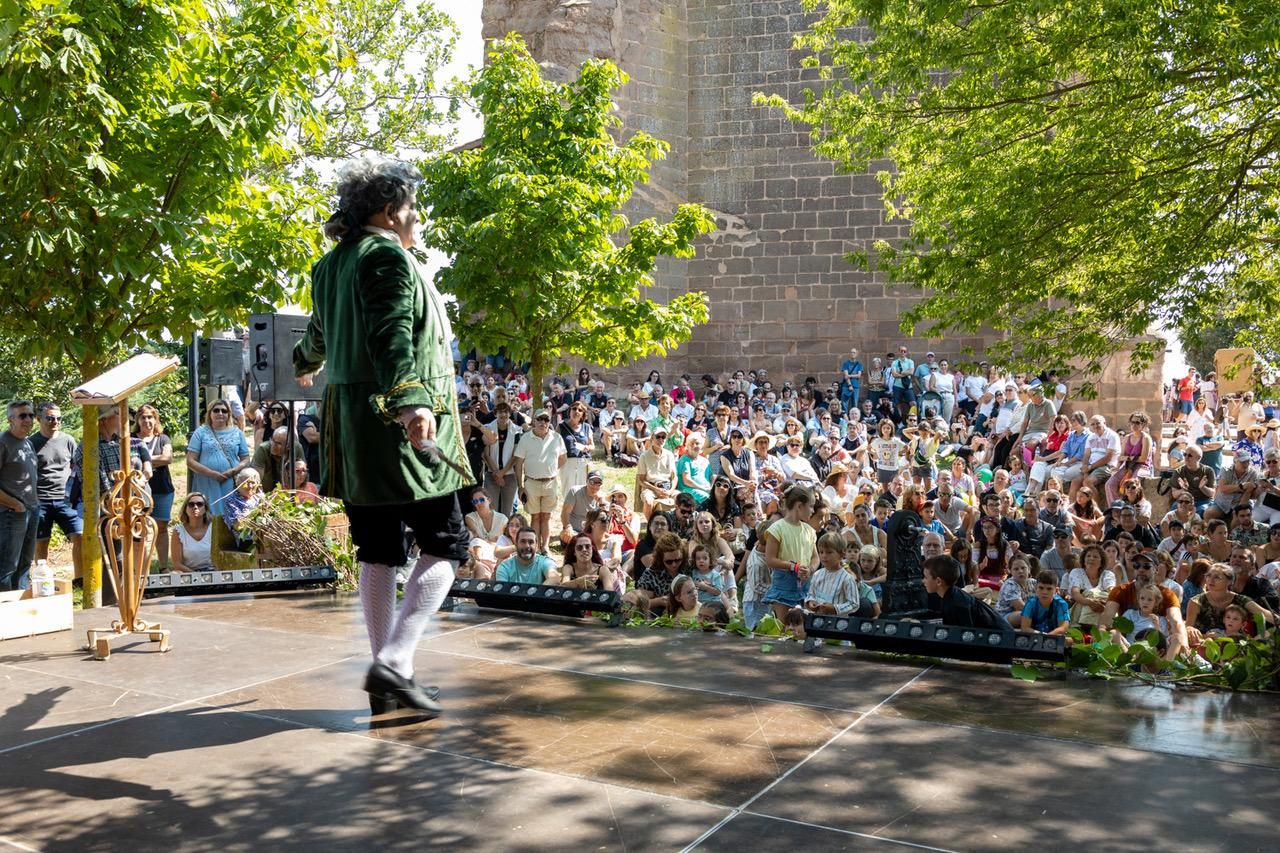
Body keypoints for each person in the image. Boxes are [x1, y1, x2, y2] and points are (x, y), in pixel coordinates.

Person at [293, 154, 474, 717]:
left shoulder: (330, 265)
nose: (416, 216)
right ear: (388, 211)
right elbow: (391, 333)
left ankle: (391, 683)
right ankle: (393, 663)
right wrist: (412, 400)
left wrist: (303, 360)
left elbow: (319, 334)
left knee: (378, 550)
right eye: (411, 206)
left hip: (351, 427)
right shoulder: (387, 258)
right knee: (448, 543)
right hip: (393, 424)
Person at [1099, 552, 1189, 659]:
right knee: (1111, 633)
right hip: (1130, 646)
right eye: (1137, 566)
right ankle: (1130, 662)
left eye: (1146, 566)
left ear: (1156, 570)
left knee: (1178, 637)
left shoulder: (1167, 594)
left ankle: (1164, 668)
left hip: (1157, 648)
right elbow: (1106, 619)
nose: (1141, 569)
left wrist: (1184, 643)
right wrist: (1101, 632)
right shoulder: (1120, 591)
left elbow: (1176, 621)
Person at [30, 402, 82, 579]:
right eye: (50, 418)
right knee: (41, 542)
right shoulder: (31, 443)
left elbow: (76, 465)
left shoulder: (68, 440)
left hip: (66, 499)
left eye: (59, 418)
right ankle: (41, 579)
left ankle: (80, 579)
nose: (55, 422)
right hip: (41, 500)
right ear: (39, 419)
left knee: (79, 536)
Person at [186, 399, 251, 517]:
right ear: (210, 413)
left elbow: (246, 458)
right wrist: (212, 473)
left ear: (229, 414)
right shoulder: (200, 432)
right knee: (207, 515)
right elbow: (190, 461)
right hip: (206, 481)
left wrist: (233, 471)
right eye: (216, 410)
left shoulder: (238, 433)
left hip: (231, 481)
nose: (220, 413)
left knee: (231, 515)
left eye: (224, 411)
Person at [514, 410, 567, 554]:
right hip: (531, 483)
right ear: (534, 420)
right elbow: (518, 464)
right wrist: (520, 486)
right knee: (535, 516)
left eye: (546, 419)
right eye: (540, 419)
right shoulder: (525, 438)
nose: (543, 423)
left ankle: (545, 547)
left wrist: (549, 470)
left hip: (551, 483)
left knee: (547, 516)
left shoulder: (556, 438)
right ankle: (535, 547)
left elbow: (563, 458)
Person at [0, 400, 40, 592]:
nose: (28, 419)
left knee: (24, 565)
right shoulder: (2, 443)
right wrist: (16, 505)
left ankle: (20, 611)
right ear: (10, 420)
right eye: (22, 415)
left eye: (31, 415)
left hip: (32, 510)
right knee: (6, 568)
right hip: (10, 514)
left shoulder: (27, 443)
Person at [762, 485, 817, 621]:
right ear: (799, 506)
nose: (813, 510)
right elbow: (770, 559)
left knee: (803, 626)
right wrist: (794, 566)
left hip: (804, 583)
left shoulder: (809, 530)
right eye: (810, 506)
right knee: (784, 625)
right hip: (783, 584)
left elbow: (815, 557)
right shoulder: (777, 528)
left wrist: (809, 569)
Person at [923, 555, 1010, 629]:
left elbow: (966, 637)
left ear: (938, 581)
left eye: (926, 577)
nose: (923, 581)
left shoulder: (956, 604)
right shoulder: (951, 596)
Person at [635, 427, 678, 517]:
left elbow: (674, 477)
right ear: (652, 439)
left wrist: (670, 491)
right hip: (651, 487)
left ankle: (677, 524)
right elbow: (641, 480)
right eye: (658, 437)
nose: (661, 439)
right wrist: (656, 489)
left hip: (667, 487)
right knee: (648, 501)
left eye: (663, 437)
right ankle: (650, 525)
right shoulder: (644, 456)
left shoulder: (669, 455)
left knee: (682, 498)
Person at [559, 470, 606, 546]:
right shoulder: (575, 491)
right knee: (567, 536)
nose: (595, 486)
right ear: (586, 481)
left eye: (598, 483)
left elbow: (604, 523)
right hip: (574, 531)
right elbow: (565, 513)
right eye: (592, 482)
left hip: (591, 532)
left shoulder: (602, 497)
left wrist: (602, 505)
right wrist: (567, 527)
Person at [170, 492, 213, 571]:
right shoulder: (178, 531)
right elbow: (177, 564)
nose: (195, 507)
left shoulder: (214, 528)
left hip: (213, 571)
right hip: (188, 572)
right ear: (185, 509)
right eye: (191, 504)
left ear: (205, 509)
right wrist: (195, 576)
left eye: (199, 504)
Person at [1019, 570, 1071, 635]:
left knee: (1069, 641)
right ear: (1035, 588)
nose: (1044, 592)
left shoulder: (1061, 604)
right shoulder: (1031, 603)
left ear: (1056, 590)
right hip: (1035, 637)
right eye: (1041, 588)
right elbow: (1025, 628)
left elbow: (1063, 628)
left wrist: (1047, 636)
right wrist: (1041, 635)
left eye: (1049, 589)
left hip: (1055, 637)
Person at [223, 468, 262, 550]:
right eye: (246, 483)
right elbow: (237, 526)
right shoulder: (231, 500)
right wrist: (254, 512)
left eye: (253, 483)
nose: (250, 486)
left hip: (264, 538)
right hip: (246, 541)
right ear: (238, 483)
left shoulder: (260, 498)